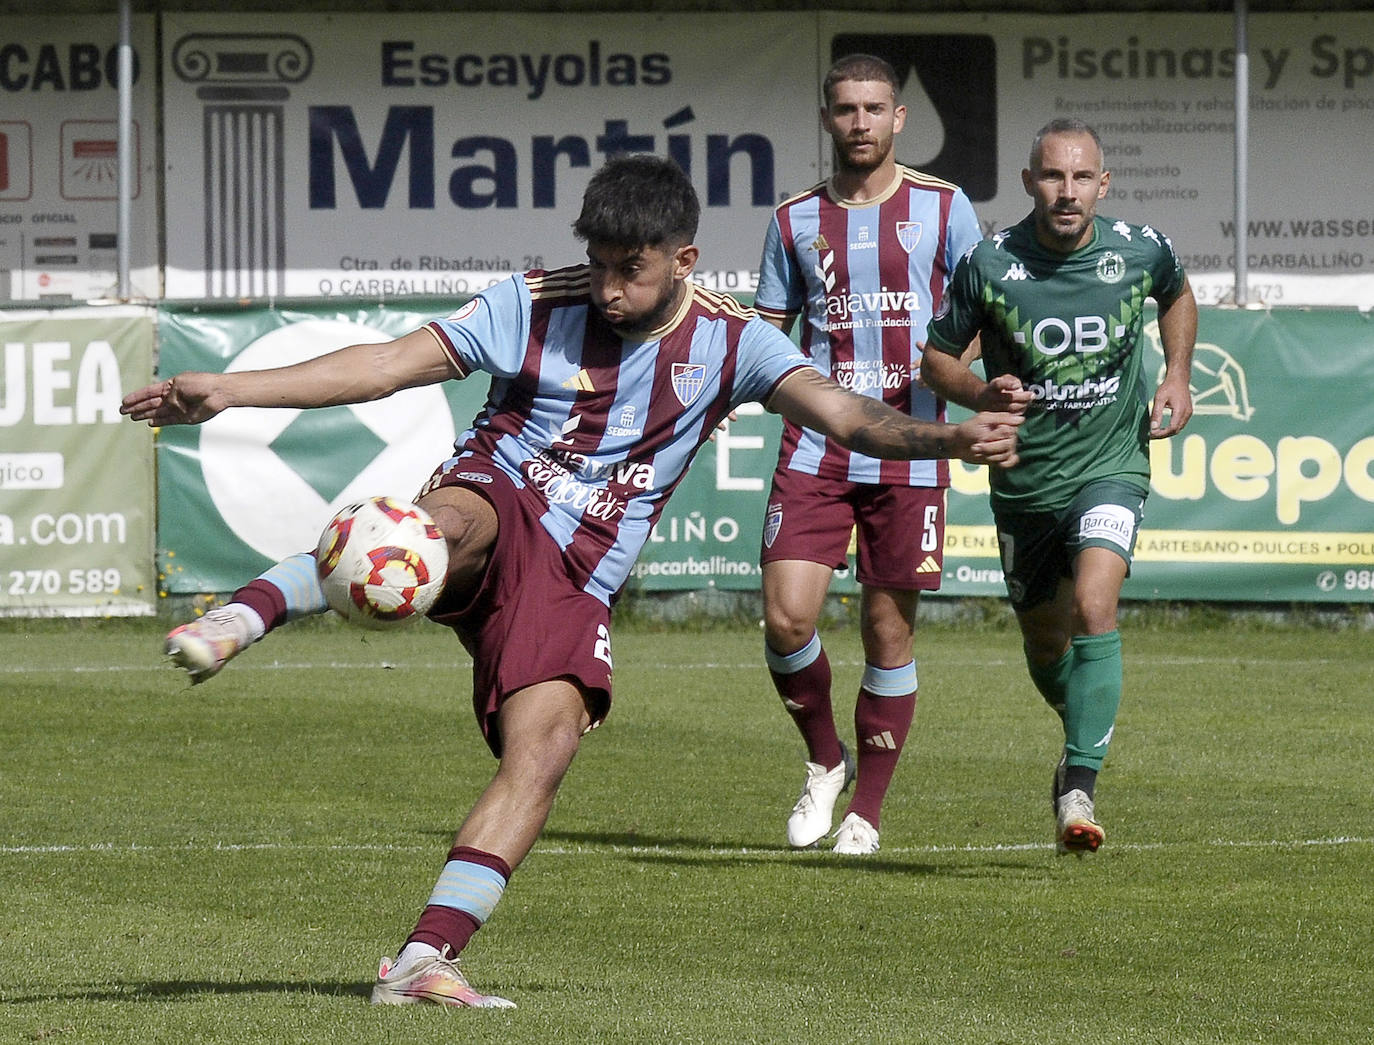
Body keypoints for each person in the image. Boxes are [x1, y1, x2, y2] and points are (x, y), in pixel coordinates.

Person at [122, 155, 1021, 1010]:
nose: (607, 290)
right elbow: (386, 364)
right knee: (438, 525)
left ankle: (424, 960)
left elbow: (846, 415)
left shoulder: (734, 341)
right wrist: (233, 389)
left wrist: (948, 438)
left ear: (684, 261)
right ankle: (250, 610)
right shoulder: (533, 302)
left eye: (629, 271)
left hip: (581, 573)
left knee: (545, 747)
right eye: (597, 266)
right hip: (501, 493)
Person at [919, 117, 1197, 855]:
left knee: (1095, 607)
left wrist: (1175, 373)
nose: (1066, 192)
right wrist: (982, 394)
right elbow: (937, 362)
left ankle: (1079, 783)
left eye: (1081, 178)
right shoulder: (989, 263)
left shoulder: (1141, 248)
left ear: (1102, 184)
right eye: (1052, 176)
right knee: (1048, 644)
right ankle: (1077, 730)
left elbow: (1176, 293)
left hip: (1111, 465)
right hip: (1024, 480)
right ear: (1028, 182)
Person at [752, 54, 992, 855]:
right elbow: (767, 338)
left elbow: (977, 319)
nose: (860, 122)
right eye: (846, 109)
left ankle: (869, 808)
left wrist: (971, 386)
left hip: (914, 450)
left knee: (888, 633)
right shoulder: (792, 221)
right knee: (787, 619)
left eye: (874, 108)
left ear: (899, 118)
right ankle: (826, 759)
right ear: (827, 119)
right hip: (815, 447)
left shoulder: (946, 208)